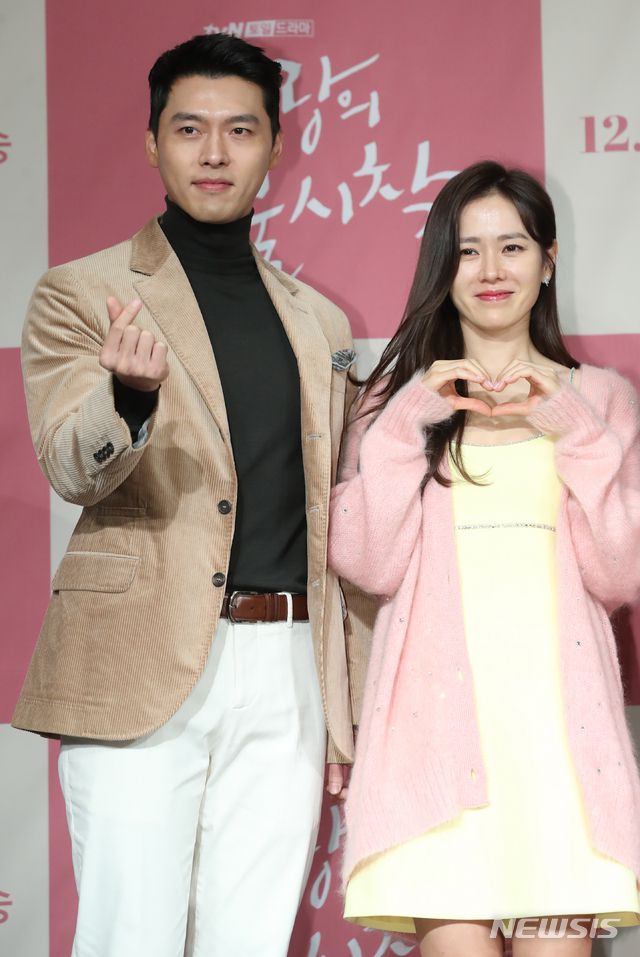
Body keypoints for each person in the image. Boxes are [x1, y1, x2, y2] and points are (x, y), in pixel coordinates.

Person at [13, 33, 373, 957]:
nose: (215, 152)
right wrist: (128, 398)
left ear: (276, 145)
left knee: (250, 942)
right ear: (152, 143)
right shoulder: (81, 293)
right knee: (129, 938)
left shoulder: (321, 321)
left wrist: (345, 711)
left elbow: (337, 517)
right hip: (141, 659)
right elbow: (70, 464)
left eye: (240, 130)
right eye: (189, 129)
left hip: (287, 669)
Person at [328, 161, 640, 956]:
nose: (492, 270)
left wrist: (572, 424)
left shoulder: (602, 400)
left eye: (513, 246)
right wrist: (409, 417)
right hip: (435, 750)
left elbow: (620, 573)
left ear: (549, 260)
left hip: (560, 754)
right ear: (443, 265)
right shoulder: (394, 405)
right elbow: (367, 561)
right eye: (468, 250)